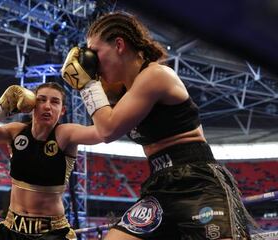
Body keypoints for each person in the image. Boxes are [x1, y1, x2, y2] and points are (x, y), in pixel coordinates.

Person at [61, 11, 258, 240]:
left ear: (119, 45)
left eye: (95, 53)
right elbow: (101, 130)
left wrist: (87, 85)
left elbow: (107, 130)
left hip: (197, 182)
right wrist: (61, 133)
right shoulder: (126, 93)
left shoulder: (156, 76)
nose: (91, 62)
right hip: (159, 186)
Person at [0, 82, 103, 240]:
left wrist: (90, 86)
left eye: (55, 102)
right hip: (11, 227)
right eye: (41, 100)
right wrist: (2, 109)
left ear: (62, 110)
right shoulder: (16, 131)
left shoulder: (66, 134)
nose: (47, 106)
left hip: (51, 232)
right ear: (31, 105)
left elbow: (104, 132)